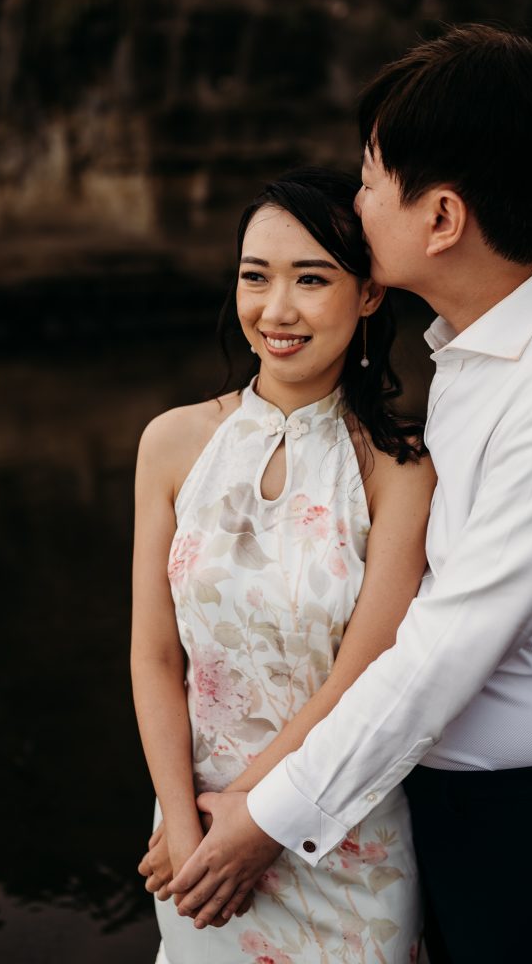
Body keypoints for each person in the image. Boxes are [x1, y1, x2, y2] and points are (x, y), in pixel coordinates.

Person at [166, 25, 532, 964]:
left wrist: (264, 815)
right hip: (425, 803)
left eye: (369, 180)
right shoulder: (470, 353)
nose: (355, 203)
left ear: (441, 218)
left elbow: (442, 649)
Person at [132, 166, 436, 963]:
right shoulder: (171, 443)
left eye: (311, 279)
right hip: (192, 835)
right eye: (254, 277)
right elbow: (155, 654)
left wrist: (248, 817)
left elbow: (362, 675)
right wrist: (182, 819)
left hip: (335, 832)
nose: (277, 310)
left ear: (368, 294)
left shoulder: (400, 469)